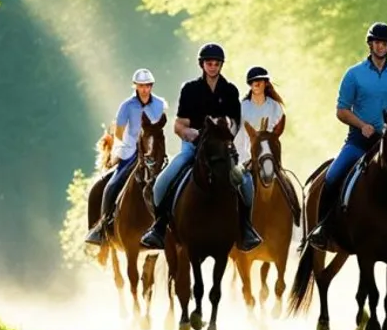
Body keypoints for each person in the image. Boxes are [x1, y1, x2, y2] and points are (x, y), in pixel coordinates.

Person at [302, 22, 387, 256]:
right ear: (370, 45)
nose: (381, 46)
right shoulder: (354, 74)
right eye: (377, 42)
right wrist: (361, 125)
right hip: (359, 141)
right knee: (333, 177)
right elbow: (341, 110)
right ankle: (323, 228)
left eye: (385, 43)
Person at [139, 43, 261, 252]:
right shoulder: (190, 89)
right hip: (193, 146)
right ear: (202, 64)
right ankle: (159, 227)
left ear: (221, 65)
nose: (212, 66)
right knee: (162, 181)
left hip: (222, 148)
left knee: (246, 182)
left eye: (216, 63)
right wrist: (191, 134)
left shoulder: (230, 91)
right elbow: (179, 124)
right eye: (208, 63)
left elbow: (235, 122)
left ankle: (246, 228)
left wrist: (223, 128)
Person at [84, 68, 167, 245]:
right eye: (141, 86)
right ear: (135, 86)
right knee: (112, 184)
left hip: (155, 151)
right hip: (132, 151)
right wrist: (131, 143)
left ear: (151, 86)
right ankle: (103, 227)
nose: (144, 89)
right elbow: (120, 132)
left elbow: (160, 127)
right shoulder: (126, 106)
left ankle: (169, 226)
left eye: (147, 86)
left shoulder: (159, 104)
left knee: (171, 181)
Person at [233, 65, 286, 163]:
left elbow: (276, 135)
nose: (256, 84)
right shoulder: (242, 107)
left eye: (260, 81)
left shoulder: (275, 107)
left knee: (282, 178)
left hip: (269, 157)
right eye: (253, 81)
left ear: (266, 83)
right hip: (244, 157)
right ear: (250, 84)